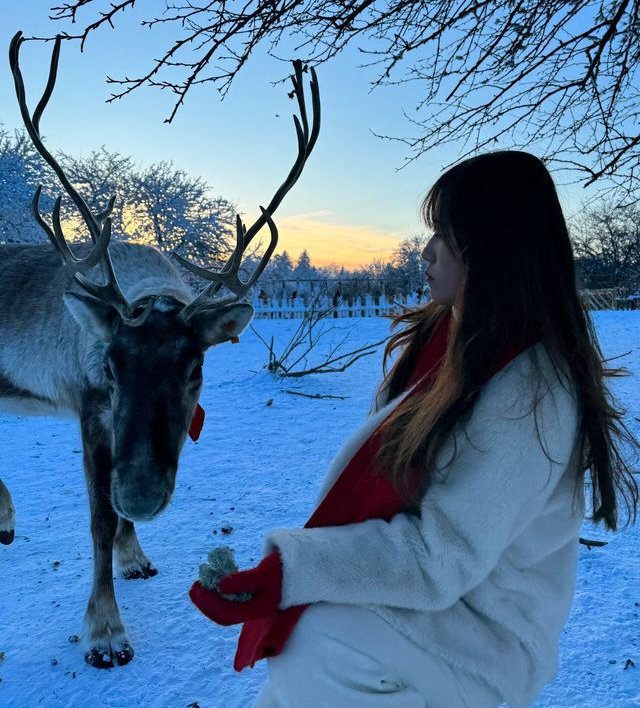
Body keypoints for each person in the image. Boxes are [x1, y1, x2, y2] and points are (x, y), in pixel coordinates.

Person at [189, 151, 639, 708]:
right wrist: (293, 574)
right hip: (441, 605)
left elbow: (442, 555)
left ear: (493, 247)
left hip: (483, 634)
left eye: (445, 236)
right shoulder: (452, 340)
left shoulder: (530, 391)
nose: (426, 252)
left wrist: (297, 571)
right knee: (309, 655)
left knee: (324, 645)